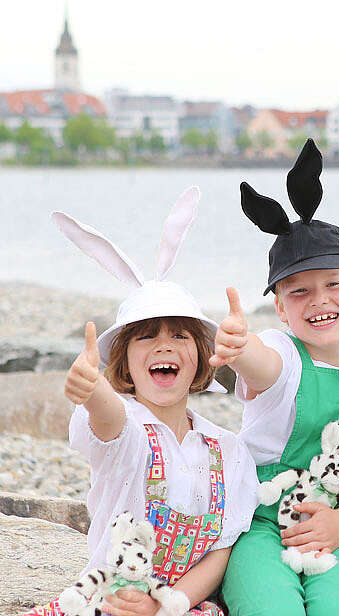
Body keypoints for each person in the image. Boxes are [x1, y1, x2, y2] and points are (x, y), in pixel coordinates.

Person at [24, 188, 257, 616]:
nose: (163, 347)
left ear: (202, 358)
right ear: (126, 364)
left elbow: (220, 550)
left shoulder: (228, 448)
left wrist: (168, 604)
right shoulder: (129, 429)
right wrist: (92, 389)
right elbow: (108, 419)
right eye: (146, 336)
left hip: (179, 607)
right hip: (106, 602)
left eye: (180, 336)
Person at [212, 140, 339, 616]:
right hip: (263, 522)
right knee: (268, 605)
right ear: (281, 308)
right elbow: (264, 365)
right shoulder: (283, 351)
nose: (319, 300)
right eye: (299, 291)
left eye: (334, 284)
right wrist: (240, 350)